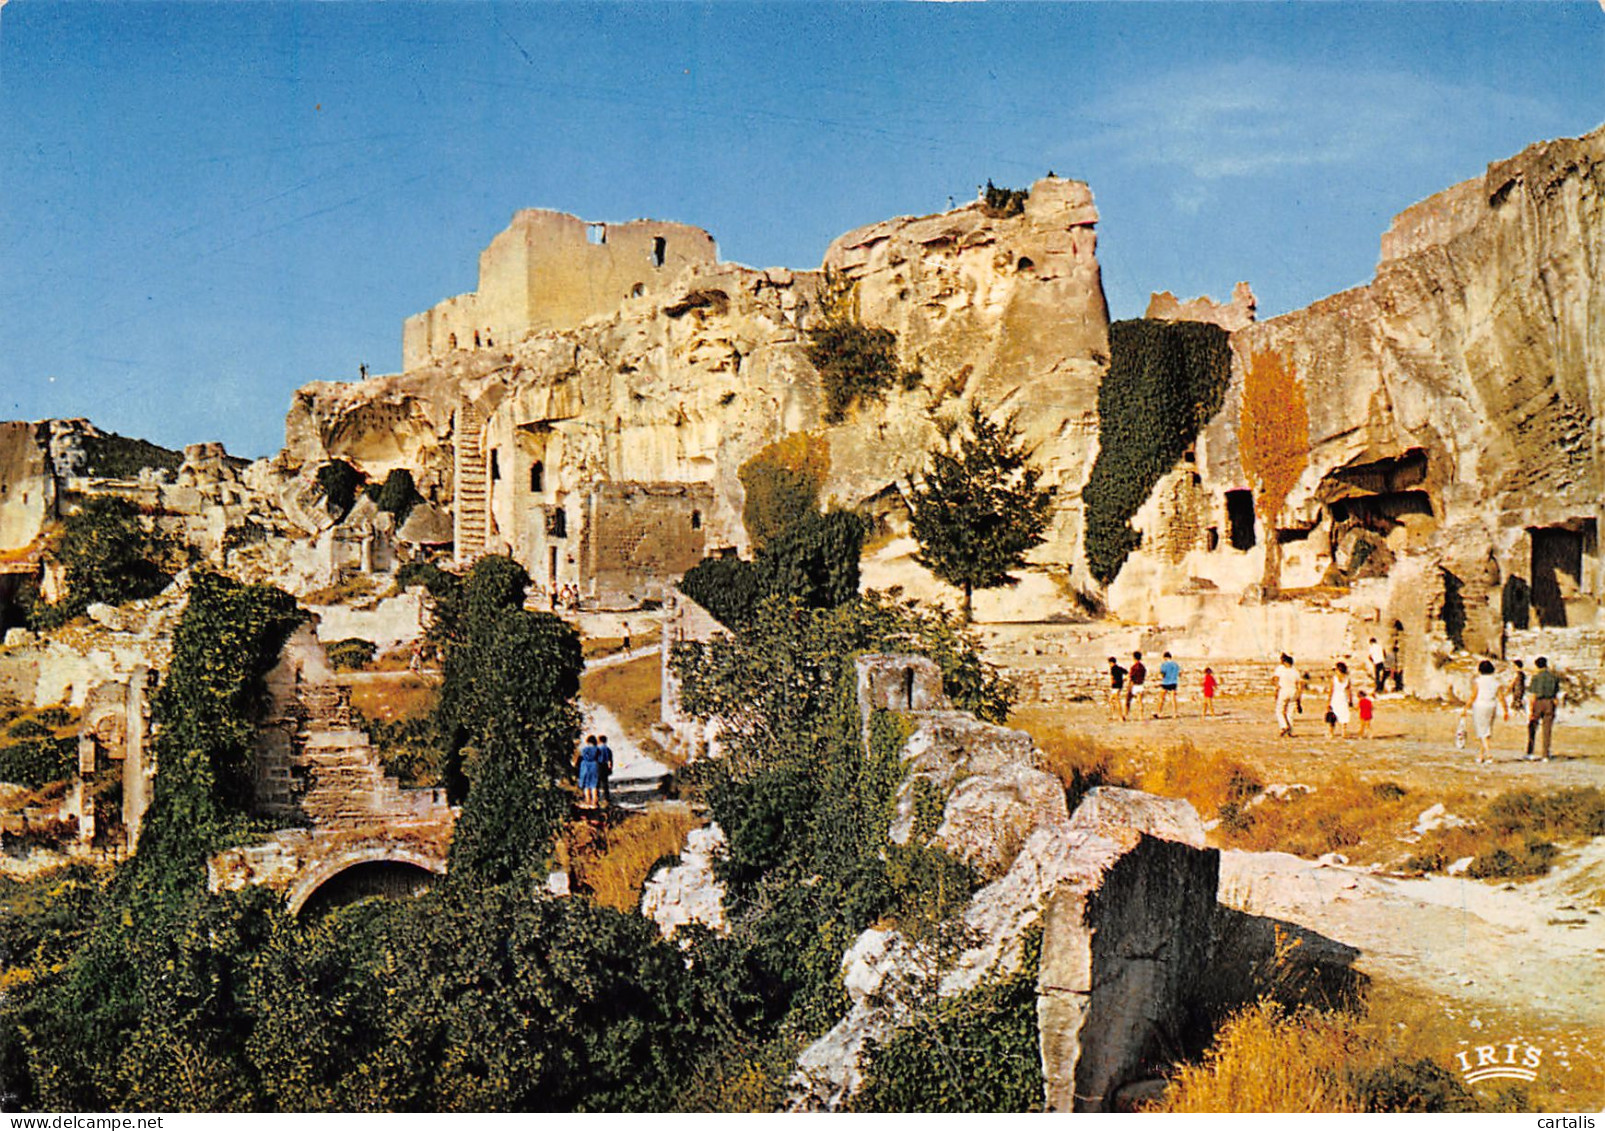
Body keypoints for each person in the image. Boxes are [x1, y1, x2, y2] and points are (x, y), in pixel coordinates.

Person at [1467, 658, 1507, 764]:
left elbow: (1473, 695)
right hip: (1492, 705)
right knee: (1486, 730)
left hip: (1480, 705)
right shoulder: (1496, 682)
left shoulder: (1478, 681)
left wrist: (1466, 707)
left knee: (1482, 731)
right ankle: (1481, 755)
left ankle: (1489, 755)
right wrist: (1505, 710)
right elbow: (1501, 697)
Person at [1525, 656, 1561, 761]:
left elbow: (1533, 695)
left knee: (1532, 726)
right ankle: (1545, 754)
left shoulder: (1536, 677)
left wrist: (1531, 709)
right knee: (1547, 729)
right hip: (1549, 702)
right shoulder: (1554, 677)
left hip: (1538, 702)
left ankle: (1530, 751)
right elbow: (1556, 694)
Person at [1273, 654, 1299, 737]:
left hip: (1283, 691)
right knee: (1290, 712)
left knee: (1279, 711)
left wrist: (1276, 689)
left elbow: (1276, 680)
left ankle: (1284, 726)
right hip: (1293, 691)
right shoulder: (1295, 671)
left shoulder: (1280, 669)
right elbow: (1298, 684)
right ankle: (1290, 731)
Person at [575, 734, 601, 808]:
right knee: (594, 785)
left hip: (585, 767)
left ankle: (588, 801)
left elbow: (581, 757)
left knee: (586, 785)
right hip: (594, 766)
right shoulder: (597, 749)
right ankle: (594, 802)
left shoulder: (584, 749)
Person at [1328, 662, 1354, 738]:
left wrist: (1328, 702)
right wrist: (1350, 700)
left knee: (1333, 715)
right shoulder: (1347, 679)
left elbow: (1331, 691)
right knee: (1343, 714)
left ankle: (1331, 732)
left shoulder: (1334, 679)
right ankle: (1343, 732)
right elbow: (1349, 691)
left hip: (1336, 697)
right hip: (1343, 698)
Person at [1156, 652, 1181, 718]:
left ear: (1165, 657)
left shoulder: (1164, 664)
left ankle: (1159, 712)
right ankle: (1175, 713)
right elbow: (1179, 673)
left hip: (1166, 682)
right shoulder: (1175, 664)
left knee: (1161, 698)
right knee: (1173, 699)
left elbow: (1162, 673)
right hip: (1174, 682)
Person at [1126, 651, 1147, 720]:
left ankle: (1126, 715)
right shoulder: (1143, 667)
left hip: (1134, 685)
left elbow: (1131, 677)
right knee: (1140, 702)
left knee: (1128, 700)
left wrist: (1129, 686)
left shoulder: (1133, 667)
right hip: (1141, 684)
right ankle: (1141, 716)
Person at [1507, 660, 1527, 724]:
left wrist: (1508, 689)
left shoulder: (1517, 674)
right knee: (1518, 703)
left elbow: (1513, 682)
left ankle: (1517, 717)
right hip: (1521, 690)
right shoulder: (1523, 674)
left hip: (1517, 690)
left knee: (1517, 703)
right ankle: (1518, 716)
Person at [1106, 656, 1127, 721]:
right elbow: (1127, 673)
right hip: (1119, 686)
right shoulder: (1119, 668)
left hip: (1115, 686)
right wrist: (1123, 680)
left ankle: (1120, 716)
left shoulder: (1113, 669)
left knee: (1116, 701)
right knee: (1111, 700)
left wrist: (1113, 682)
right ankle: (1113, 715)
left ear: (1111, 662)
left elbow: (1112, 678)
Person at [597, 734, 614, 806]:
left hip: (597, 766)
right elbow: (610, 761)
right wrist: (610, 768)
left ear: (599, 741)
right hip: (604, 766)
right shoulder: (608, 749)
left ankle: (596, 799)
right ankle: (606, 799)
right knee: (605, 784)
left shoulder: (597, 749)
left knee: (596, 784)